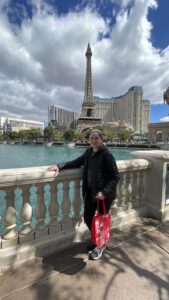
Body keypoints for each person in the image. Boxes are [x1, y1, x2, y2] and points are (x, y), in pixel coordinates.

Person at [48, 129, 119, 260]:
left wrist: (104, 192)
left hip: (103, 196)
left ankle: (101, 245)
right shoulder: (89, 152)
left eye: (96, 138)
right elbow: (76, 162)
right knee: (87, 217)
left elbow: (115, 177)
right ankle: (96, 238)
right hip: (91, 193)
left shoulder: (106, 155)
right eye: (91, 138)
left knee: (102, 221)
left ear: (101, 139)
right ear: (89, 140)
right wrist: (59, 165)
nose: (94, 140)